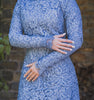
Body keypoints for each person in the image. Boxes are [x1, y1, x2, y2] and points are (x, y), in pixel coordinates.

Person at [8, 0, 83, 99]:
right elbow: (13, 38)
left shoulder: (66, 1)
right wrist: (47, 42)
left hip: (59, 76)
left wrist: (41, 65)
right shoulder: (22, 3)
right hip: (31, 73)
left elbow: (76, 40)